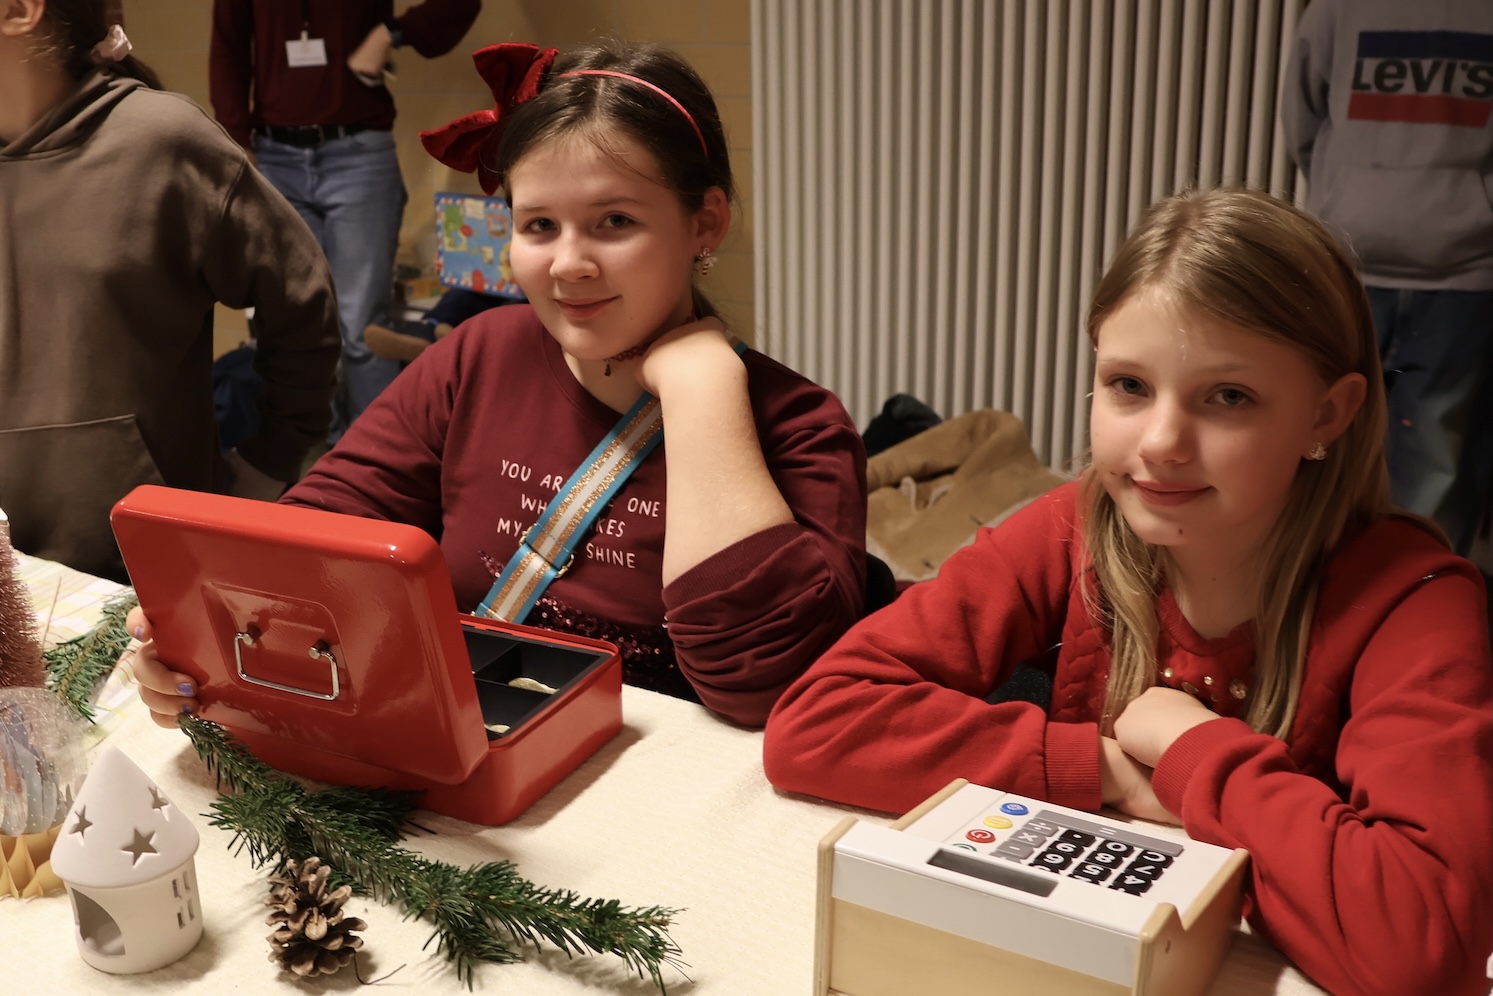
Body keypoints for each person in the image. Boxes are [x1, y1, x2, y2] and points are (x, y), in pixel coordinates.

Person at [762, 189, 1493, 996]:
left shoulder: (1415, 603)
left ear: (1326, 413)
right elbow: (815, 723)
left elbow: (1425, 946)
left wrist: (1189, 748)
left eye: (1228, 396)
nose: (1161, 443)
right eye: (1128, 386)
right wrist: (1108, 770)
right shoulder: (1068, 528)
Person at [125, 41, 869, 730]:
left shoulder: (802, 427)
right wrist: (201, 627)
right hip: (475, 768)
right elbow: (317, 535)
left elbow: (761, 688)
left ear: (705, 222)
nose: (568, 264)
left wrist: (703, 387)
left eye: (614, 220)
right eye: (539, 225)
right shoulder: (478, 356)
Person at [0, 0, 340, 583]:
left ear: (19, 10)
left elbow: (301, 302)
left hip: (141, 574)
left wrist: (273, 459)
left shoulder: (163, 140)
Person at [1280, 0, 1493, 558]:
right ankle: (1309, 589)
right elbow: (1303, 117)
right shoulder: (1339, 8)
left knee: (1436, 463)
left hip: (1466, 278)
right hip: (1344, 267)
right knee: (1313, 443)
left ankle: (1420, 599)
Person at [210, 0, 481, 431]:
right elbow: (229, 46)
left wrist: (390, 33)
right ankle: (316, 451)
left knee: (361, 326)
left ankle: (380, 452)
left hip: (359, 155)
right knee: (296, 324)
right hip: (273, 156)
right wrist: (236, 137)